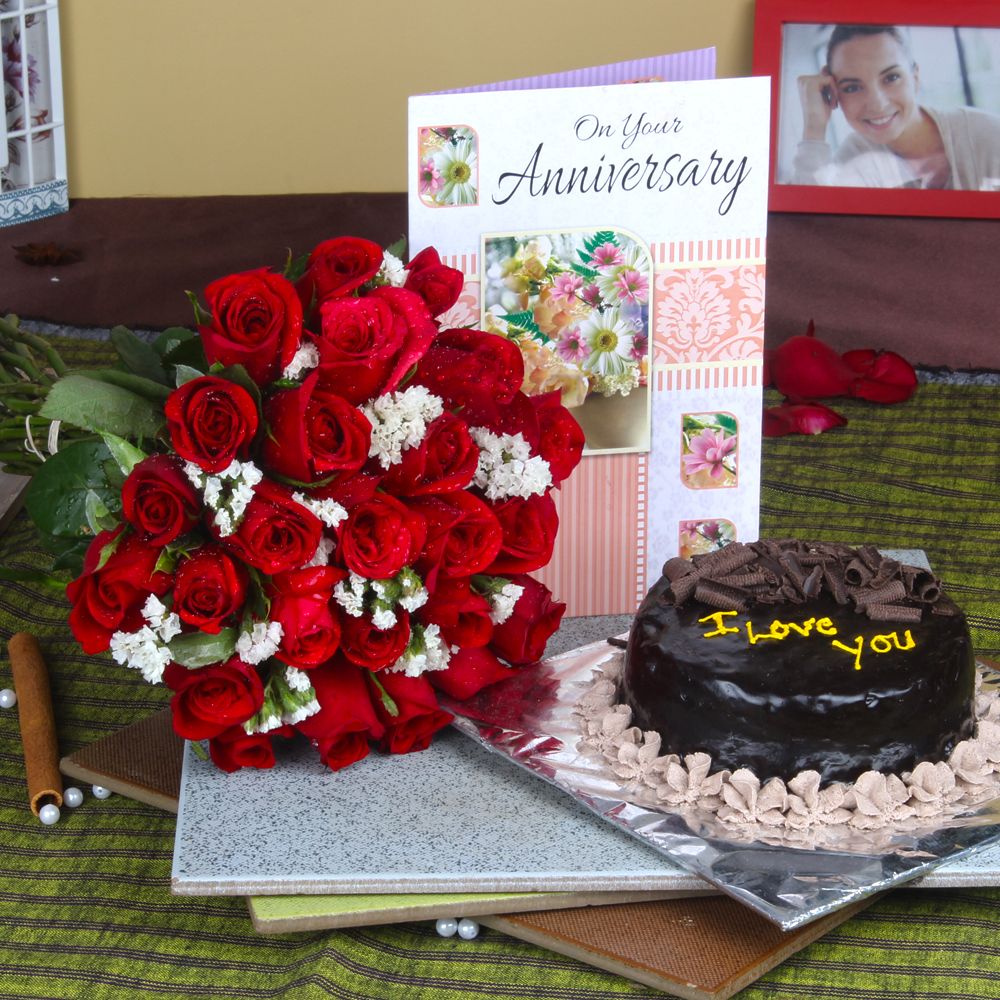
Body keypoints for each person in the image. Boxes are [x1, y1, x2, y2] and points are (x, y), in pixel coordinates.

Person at [792, 24, 1000, 190]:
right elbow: (810, 228)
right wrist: (814, 127)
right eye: (852, 87)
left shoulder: (987, 135)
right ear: (833, 93)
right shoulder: (853, 156)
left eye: (891, 77)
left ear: (915, 78)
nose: (877, 103)